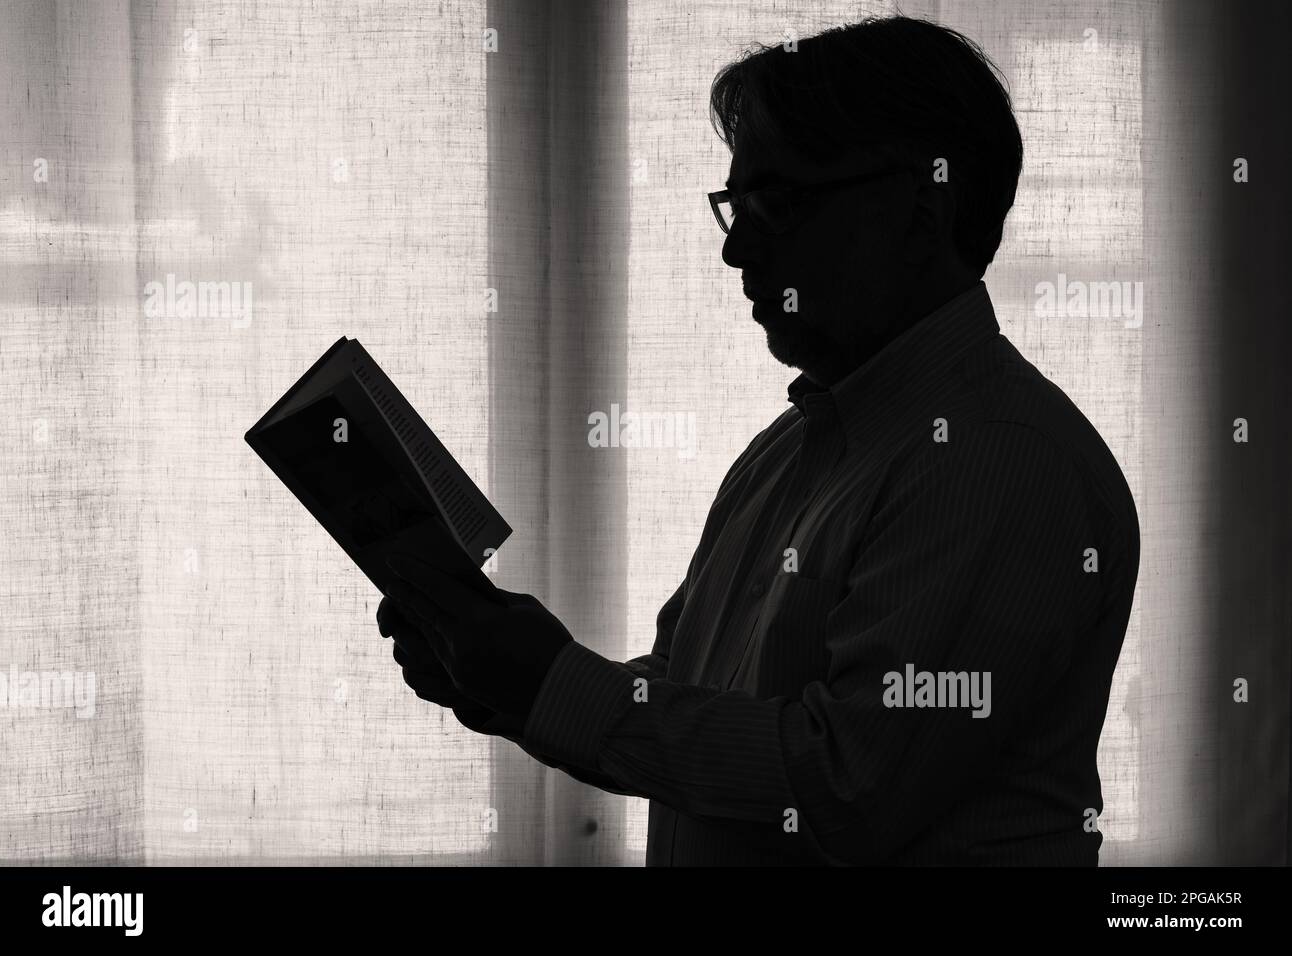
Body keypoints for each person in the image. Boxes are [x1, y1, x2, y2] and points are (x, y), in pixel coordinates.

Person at [378, 15, 1140, 866]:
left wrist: (549, 683)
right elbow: (693, 696)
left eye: (776, 201)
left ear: (923, 209)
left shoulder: (1001, 461)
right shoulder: (791, 450)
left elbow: (845, 786)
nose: (739, 248)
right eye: (734, 207)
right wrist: (504, 680)